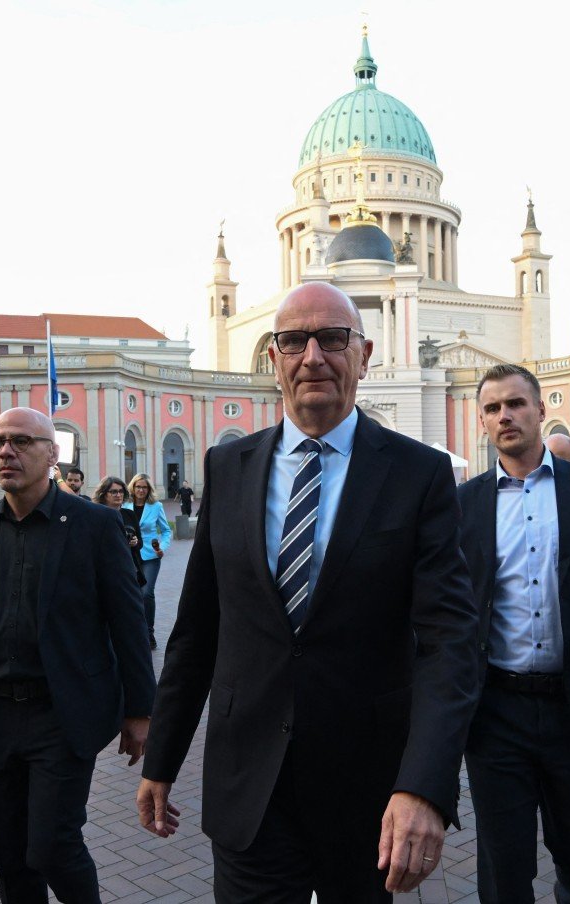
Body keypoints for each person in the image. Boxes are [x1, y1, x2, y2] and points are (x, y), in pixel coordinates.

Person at [137, 282, 479, 902]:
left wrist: (425, 785)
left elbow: (450, 641)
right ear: (274, 358)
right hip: (250, 784)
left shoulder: (417, 473)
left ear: (365, 354)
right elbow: (198, 629)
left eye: (332, 339)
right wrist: (162, 758)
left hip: (369, 788)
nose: (312, 356)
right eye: (293, 341)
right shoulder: (228, 467)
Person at [0, 407, 156, 904]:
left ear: (52, 454)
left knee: (52, 847)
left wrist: (140, 711)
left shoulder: (94, 526)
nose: (6, 451)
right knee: (11, 857)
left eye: (21, 441)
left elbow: (128, 626)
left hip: (61, 714)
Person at [458, 364, 570, 903]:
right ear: (482, 422)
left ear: (540, 409)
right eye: (492, 408)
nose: (504, 415)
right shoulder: (465, 504)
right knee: (503, 866)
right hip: (497, 713)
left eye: (515, 403)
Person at [125, 472, 171, 651]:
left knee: (146, 593)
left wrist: (162, 547)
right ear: (133, 488)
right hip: (130, 555)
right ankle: (135, 631)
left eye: (144, 487)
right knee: (133, 593)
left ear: (148, 489)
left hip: (151, 556)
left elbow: (166, 531)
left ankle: (149, 632)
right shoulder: (125, 505)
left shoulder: (156, 506)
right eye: (138, 487)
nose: (141, 490)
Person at [94, 476, 147, 590]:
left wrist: (135, 542)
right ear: (103, 494)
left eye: (121, 491)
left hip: (130, 569)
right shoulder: (97, 516)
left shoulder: (130, 515)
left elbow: (140, 543)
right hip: (107, 570)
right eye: (113, 492)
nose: (118, 495)